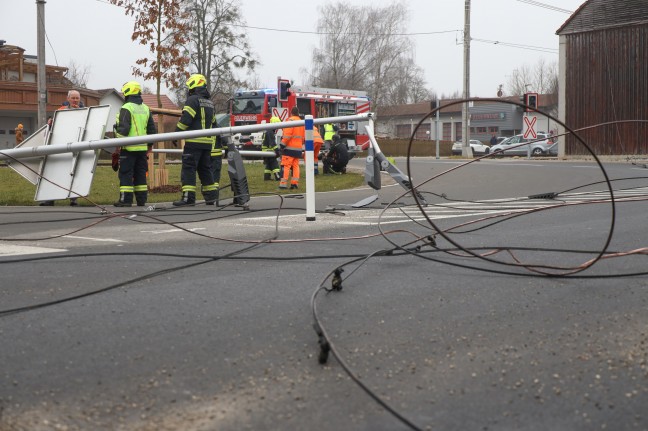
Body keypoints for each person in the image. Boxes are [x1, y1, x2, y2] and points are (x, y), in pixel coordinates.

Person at [172, 73, 219, 206]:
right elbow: (214, 123)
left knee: (189, 169)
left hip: (193, 142)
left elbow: (186, 120)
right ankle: (211, 197)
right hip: (207, 144)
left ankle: (188, 198)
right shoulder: (210, 103)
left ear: (193, 86)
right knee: (205, 169)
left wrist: (176, 134)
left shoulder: (193, 100)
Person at [112, 81, 157, 207]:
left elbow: (124, 130)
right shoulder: (146, 108)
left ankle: (125, 200)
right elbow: (152, 130)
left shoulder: (127, 108)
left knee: (126, 173)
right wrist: (150, 146)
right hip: (142, 149)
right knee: (140, 174)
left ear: (127, 92)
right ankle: (141, 200)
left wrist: (117, 143)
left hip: (128, 149)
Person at [39, 90, 85, 206]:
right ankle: (50, 198)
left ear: (80, 99)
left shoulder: (85, 112)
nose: (75, 100)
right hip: (60, 145)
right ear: (68, 98)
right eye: (73, 98)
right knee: (55, 171)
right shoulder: (61, 110)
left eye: (77, 98)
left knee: (74, 172)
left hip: (76, 145)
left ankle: (73, 199)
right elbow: (54, 126)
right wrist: (50, 122)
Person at [279, 106, 304, 190]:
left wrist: (282, 145)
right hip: (298, 148)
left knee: (286, 166)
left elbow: (287, 135)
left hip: (289, 148)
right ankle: (294, 184)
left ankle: (283, 184)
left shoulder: (290, 121)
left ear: (291, 113)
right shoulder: (301, 122)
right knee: (296, 166)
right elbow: (303, 137)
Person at [262, 116, 281, 181]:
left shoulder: (268, 130)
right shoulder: (270, 132)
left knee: (269, 165)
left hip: (266, 151)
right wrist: (277, 151)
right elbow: (272, 143)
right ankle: (278, 177)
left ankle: (267, 177)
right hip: (268, 151)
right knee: (274, 164)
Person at [209, 134, 226, 205]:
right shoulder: (217, 127)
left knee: (205, 174)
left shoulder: (204, 126)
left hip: (205, 154)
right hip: (216, 155)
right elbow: (225, 140)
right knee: (215, 176)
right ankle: (214, 196)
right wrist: (227, 149)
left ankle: (208, 196)